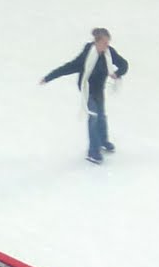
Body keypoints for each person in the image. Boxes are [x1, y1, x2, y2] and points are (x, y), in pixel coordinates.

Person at [42, 28, 129, 165]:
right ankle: (93, 152)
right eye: (105, 43)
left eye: (108, 43)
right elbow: (68, 67)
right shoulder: (87, 55)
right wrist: (48, 77)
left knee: (101, 115)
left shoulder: (109, 53)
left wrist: (117, 74)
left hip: (99, 89)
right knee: (93, 117)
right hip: (87, 89)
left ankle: (103, 141)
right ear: (97, 42)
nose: (107, 46)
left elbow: (124, 64)